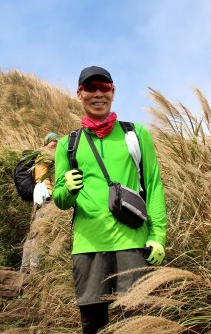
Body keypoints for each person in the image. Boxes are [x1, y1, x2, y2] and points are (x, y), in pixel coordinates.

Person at [52, 66, 167, 334]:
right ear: (79, 94)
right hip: (87, 245)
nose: (98, 94)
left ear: (113, 92)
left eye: (104, 87)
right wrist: (67, 189)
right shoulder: (67, 145)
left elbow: (153, 186)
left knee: (137, 321)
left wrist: (158, 235)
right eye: (91, 88)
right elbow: (59, 200)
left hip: (133, 241)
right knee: (93, 324)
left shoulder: (135, 134)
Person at [20, 132, 60, 273]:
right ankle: (34, 267)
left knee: (34, 232)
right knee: (40, 233)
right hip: (46, 196)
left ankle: (25, 267)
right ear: (45, 144)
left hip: (42, 197)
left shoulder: (41, 154)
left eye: (57, 145)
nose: (55, 147)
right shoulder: (44, 154)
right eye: (53, 144)